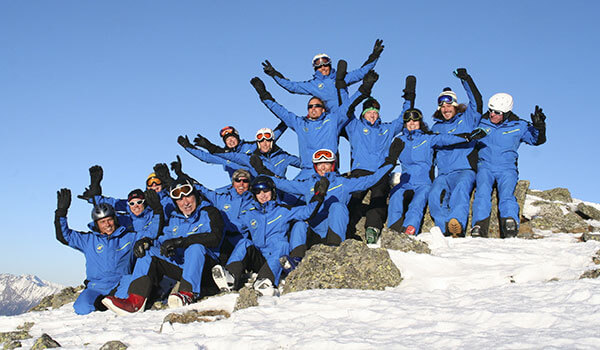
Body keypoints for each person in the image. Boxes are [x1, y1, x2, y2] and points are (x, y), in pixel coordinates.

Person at [102, 178, 224, 315]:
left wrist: (180, 242)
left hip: (207, 270)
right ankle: (135, 301)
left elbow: (215, 237)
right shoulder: (174, 219)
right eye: (179, 199)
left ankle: (187, 294)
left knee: (195, 247)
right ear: (175, 202)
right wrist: (147, 242)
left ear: (195, 194)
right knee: (148, 252)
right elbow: (163, 239)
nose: (186, 202)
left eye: (188, 196)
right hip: (185, 269)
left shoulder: (209, 212)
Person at [252, 144, 401, 246]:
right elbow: (283, 184)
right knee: (299, 223)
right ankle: (296, 258)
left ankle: (334, 246)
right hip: (316, 230)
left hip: (335, 228)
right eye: (319, 164)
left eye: (327, 163)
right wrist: (263, 172)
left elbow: (371, 180)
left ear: (333, 165)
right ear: (315, 167)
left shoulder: (343, 182)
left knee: (337, 206)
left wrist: (390, 162)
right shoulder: (308, 184)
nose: (323, 167)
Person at [250, 71, 379, 180]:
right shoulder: (300, 123)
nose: (313, 108)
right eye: (310, 106)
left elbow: (349, 105)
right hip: (307, 173)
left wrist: (365, 87)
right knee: (286, 198)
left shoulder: (333, 120)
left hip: (329, 172)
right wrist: (264, 94)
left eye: (317, 106)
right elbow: (281, 112)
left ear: (323, 109)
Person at [211, 175, 326, 296]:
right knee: (244, 243)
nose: (262, 195)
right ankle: (231, 276)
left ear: (273, 191)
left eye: (266, 191)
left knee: (283, 244)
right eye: (258, 192)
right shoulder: (251, 214)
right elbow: (234, 226)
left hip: (278, 257)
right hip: (260, 258)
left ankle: (265, 280)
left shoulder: (283, 211)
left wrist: (319, 195)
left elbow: (307, 212)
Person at [54, 189, 159, 315]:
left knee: (123, 305)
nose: (107, 225)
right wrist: (61, 213)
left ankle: (112, 302)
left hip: (121, 284)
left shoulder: (129, 237)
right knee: (82, 309)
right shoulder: (88, 240)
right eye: (102, 222)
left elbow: (151, 233)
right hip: (96, 286)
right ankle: (101, 303)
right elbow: (64, 236)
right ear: (96, 224)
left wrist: (157, 211)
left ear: (115, 219)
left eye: (109, 220)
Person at [343, 75, 414, 243]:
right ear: (364, 114)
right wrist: (357, 87)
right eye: (369, 112)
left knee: (379, 197)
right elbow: (346, 107)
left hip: (380, 171)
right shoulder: (355, 126)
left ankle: (372, 230)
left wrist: (410, 95)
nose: (373, 115)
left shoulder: (386, 129)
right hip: (360, 170)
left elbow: (403, 117)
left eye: (375, 112)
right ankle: (345, 229)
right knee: (353, 198)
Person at [387, 108, 477, 236]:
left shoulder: (428, 138)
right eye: (408, 121)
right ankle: (393, 231)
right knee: (395, 196)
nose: (412, 123)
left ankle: (409, 229)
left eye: (415, 120)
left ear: (420, 122)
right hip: (406, 182)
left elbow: (446, 139)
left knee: (417, 204)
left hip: (423, 183)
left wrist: (466, 137)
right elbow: (388, 159)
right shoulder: (399, 141)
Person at [470, 94, 547, 238]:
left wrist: (539, 127)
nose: (492, 114)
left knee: (506, 195)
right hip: (485, 166)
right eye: (491, 110)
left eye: (497, 113)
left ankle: (509, 223)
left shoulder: (518, 125)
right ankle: (479, 225)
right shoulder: (482, 122)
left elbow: (536, 140)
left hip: (507, 167)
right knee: (482, 193)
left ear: (506, 113)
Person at [427, 68, 483, 237]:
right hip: (444, 173)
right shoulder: (436, 128)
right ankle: (444, 228)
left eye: (449, 105)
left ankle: (457, 223)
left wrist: (466, 79)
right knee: (435, 194)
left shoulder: (467, 119)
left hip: (464, 169)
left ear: (456, 105)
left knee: (460, 191)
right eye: (442, 106)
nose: (446, 109)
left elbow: (477, 101)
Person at [261, 39, 384, 112]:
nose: (323, 68)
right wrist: (274, 74)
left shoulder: (341, 77)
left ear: (330, 65)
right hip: (331, 118)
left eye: (325, 64)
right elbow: (291, 87)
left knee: (358, 143)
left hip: (347, 115)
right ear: (315, 69)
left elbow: (362, 72)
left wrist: (374, 56)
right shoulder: (313, 85)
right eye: (319, 66)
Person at [180, 123, 287, 180]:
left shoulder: (251, 146)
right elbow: (206, 157)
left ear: (237, 137)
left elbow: (270, 137)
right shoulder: (224, 155)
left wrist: (285, 122)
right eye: (227, 140)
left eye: (232, 138)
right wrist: (188, 147)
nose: (230, 141)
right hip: (242, 187)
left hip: (261, 181)